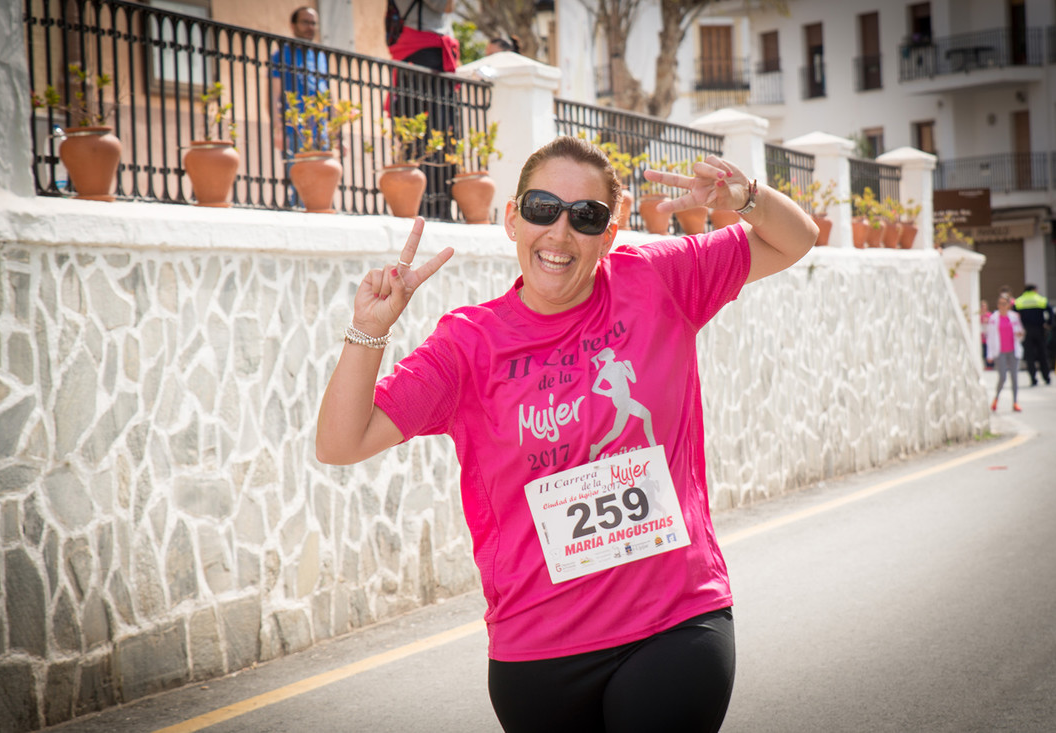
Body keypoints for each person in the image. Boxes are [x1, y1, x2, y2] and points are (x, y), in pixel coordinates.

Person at [315, 136, 817, 732]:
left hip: (673, 624)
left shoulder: (657, 280)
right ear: (511, 219)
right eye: (541, 209)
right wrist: (368, 330)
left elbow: (797, 239)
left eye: (586, 217)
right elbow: (340, 444)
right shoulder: (467, 344)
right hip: (537, 648)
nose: (559, 233)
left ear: (610, 232)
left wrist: (749, 197)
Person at [387, 0, 459, 220]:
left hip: (426, 54)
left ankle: (438, 203)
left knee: (441, 135)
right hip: (422, 54)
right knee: (428, 134)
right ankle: (428, 205)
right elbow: (445, 6)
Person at [270, 6, 327, 206]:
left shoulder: (320, 56)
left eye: (313, 23)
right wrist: (278, 129)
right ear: (293, 25)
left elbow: (327, 95)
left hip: (320, 129)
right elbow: (274, 95)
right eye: (305, 22)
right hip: (294, 128)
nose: (310, 27)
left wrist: (337, 133)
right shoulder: (280, 55)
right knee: (299, 182)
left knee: (322, 183)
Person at [986, 294, 1025, 412]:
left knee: (1014, 377)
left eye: (1004, 304)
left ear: (1008, 305)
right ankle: (996, 398)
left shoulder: (1014, 317)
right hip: (1000, 352)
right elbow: (990, 337)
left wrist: (1020, 335)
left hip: (1013, 351)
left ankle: (1015, 402)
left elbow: (1020, 332)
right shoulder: (993, 318)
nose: (1001, 306)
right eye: (1000, 304)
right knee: (1002, 377)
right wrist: (989, 354)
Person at [1014, 283, 1052, 386]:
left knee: (1029, 356)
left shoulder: (1019, 301)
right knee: (1043, 354)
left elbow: (1014, 316)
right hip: (1039, 330)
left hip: (1026, 331)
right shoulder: (1041, 299)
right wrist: (1048, 324)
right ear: (1034, 290)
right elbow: (1051, 312)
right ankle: (1046, 377)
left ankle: (1033, 379)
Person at [979, 299, 992, 369]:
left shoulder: (989, 315)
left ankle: (990, 366)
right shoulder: (978, 316)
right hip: (981, 337)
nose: (983, 307)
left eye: (984, 306)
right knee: (983, 352)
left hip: (989, 337)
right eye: (982, 306)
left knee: (988, 351)